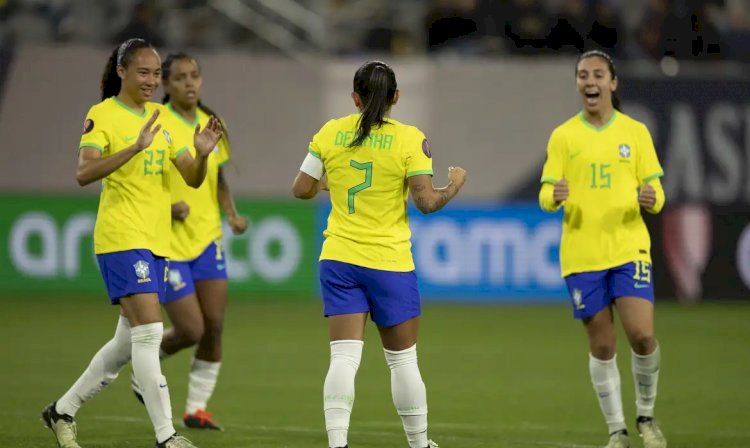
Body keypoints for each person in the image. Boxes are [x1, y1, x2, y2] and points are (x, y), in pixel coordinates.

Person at [41, 38, 222, 448]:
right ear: (121, 71)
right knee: (150, 333)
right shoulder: (102, 114)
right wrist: (133, 147)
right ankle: (166, 435)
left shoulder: (161, 116)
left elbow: (191, 176)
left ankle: (62, 410)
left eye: (156, 74)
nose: (151, 80)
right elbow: (84, 173)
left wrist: (203, 154)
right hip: (121, 236)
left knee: (126, 343)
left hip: (157, 241)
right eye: (143, 72)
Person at [292, 60, 466, 448]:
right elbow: (426, 202)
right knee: (403, 361)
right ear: (396, 98)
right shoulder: (409, 139)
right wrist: (454, 185)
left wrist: (332, 184)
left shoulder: (330, 133)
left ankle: (337, 444)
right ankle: (419, 445)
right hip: (389, 262)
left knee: (343, 358)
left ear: (354, 97)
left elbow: (300, 188)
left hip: (338, 258)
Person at [538, 50, 667, 448]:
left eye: (597, 74)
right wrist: (553, 195)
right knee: (603, 344)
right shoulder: (564, 136)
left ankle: (646, 415)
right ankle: (617, 430)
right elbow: (545, 193)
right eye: (582, 75)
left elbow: (657, 192)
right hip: (582, 254)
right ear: (578, 84)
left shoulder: (635, 132)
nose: (589, 81)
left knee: (642, 335)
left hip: (629, 248)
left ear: (612, 83)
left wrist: (652, 198)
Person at [130, 51, 247, 431]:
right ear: (165, 83)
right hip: (167, 243)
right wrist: (167, 205)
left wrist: (230, 213)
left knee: (214, 326)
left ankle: (196, 408)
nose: (190, 83)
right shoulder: (154, 121)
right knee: (191, 329)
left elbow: (218, 178)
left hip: (207, 239)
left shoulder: (213, 124)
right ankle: (143, 368)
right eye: (180, 77)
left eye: (194, 76)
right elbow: (138, 179)